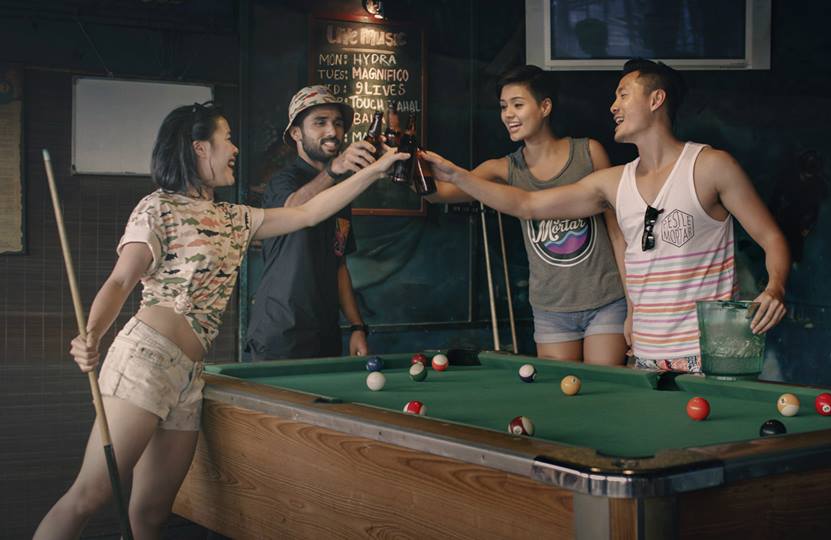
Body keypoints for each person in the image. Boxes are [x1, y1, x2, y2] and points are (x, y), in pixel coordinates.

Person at [34, 102, 406, 539]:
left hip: (191, 375)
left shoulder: (234, 218)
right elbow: (120, 281)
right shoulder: (158, 207)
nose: (235, 149)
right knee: (90, 495)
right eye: (226, 139)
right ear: (199, 148)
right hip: (146, 360)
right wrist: (92, 333)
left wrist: (375, 171)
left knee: (151, 514)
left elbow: (309, 212)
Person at [422, 58, 789, 373]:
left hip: (709, 356)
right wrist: (458, 176)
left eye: (623, 95)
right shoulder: (612, 183)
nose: (613, 106)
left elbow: (772, 238)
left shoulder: (711, 166)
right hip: (646, 358)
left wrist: (774, 288)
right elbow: (527, 204)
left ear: (656, 100)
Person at [425, 65, 628, 366]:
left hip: (606, 300)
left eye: (517, 105)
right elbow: (441, 193)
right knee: (561, 388)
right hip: (551, 309)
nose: (508, 114)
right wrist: (402, 164)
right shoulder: (504, 168)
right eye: (503, 107)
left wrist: (634, 301)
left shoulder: (588, 152)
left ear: (545, 107)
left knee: (605, 385)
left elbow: (616, 230)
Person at [245, 85, 379, 361]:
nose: (332, 131)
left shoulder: (340, 191)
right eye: (320, 122)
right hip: (281, 333)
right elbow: (295, 209)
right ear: (296, 133)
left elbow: (340, 264)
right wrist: (335, 170)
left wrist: (357, 326)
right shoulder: (283, 181)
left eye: (338, 123)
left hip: (326, 333)